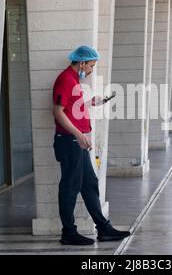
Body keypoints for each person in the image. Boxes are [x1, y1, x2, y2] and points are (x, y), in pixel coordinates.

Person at [52, 45, 131, 245]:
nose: (91, 70)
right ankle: (68, 233)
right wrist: (79, 134)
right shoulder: (65, 80)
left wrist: (89, 103)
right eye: (91, 66)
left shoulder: (74, 81)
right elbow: (58, 112)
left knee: (89, 184)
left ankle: (104, 229)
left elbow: (70, 108)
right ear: (82, 62)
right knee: (70, 187)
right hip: (70, 142)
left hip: (77, 142)